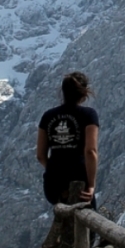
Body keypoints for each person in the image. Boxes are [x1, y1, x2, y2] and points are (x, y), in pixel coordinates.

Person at [36, 71, 99, 207]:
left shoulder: (48, 116)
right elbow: (90, 151)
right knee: (87, 224)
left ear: (63, 92)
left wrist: (54, 171)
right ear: (84, 93)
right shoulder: (88, 115)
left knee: (64, 219)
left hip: (52, 185)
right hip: (79, 181)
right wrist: (91, 185)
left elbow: (40, 155)